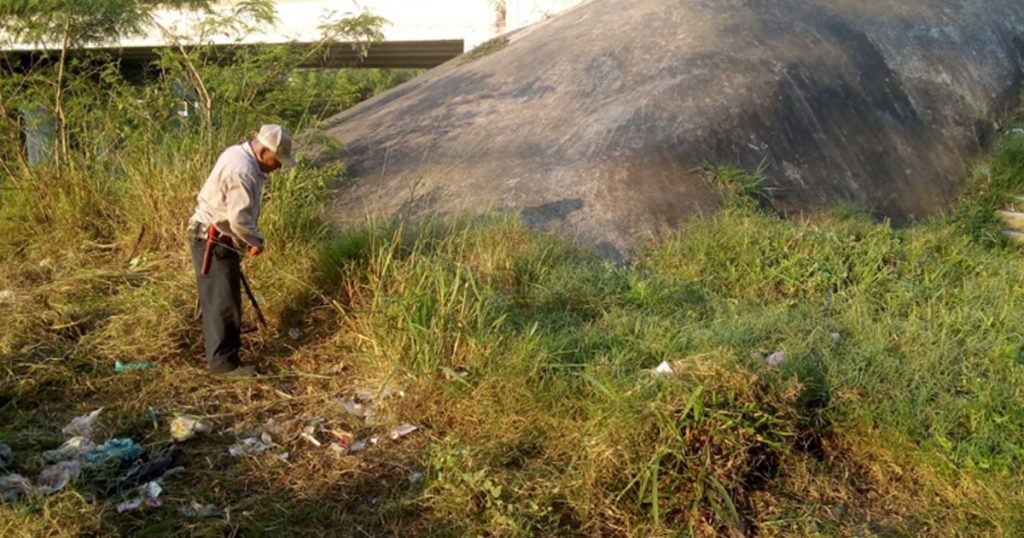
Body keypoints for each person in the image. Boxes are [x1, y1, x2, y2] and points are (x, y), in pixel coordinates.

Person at [187, 124, 294, 376]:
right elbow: (239, 220)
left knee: (222, 295)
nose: (278, 166)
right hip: (212, 239)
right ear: (264, 151)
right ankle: (223, 365)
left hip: (215, 235)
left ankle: (222, 354)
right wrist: (256, 241)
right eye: (277, 159)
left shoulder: (237, 153)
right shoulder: (243, 171)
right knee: (222, 300)